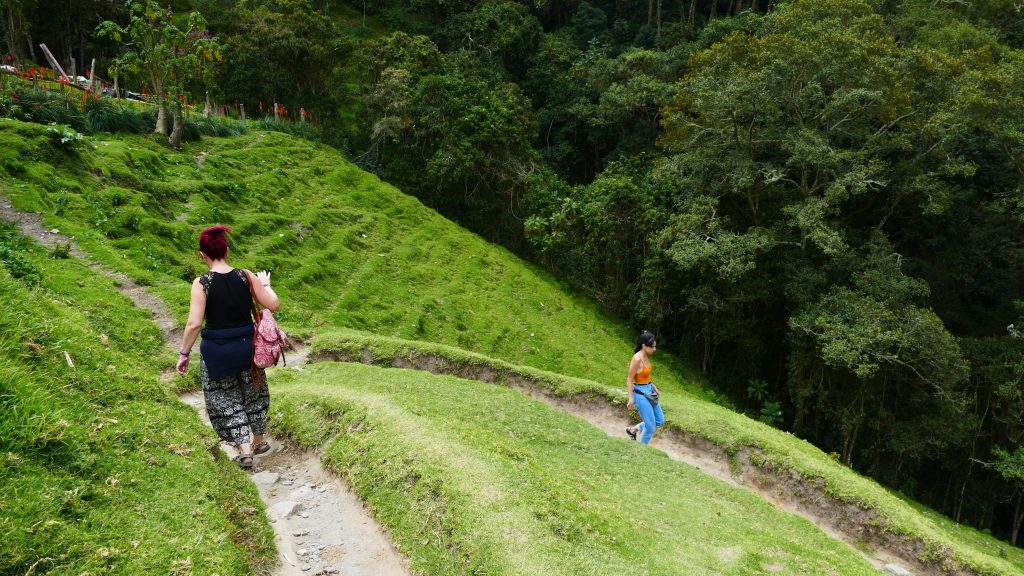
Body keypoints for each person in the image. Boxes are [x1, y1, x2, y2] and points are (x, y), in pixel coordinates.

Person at [176, 225, 280, 469]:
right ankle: (259, 440)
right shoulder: (246, 276)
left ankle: (244, 451)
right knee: (253, 391)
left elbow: (193, 324)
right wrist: (264, 284)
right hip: (248, 349)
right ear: (227, 250)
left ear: (202, 255)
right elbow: (273, 304)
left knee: (225, 399)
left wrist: (184, 353)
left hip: (217, 353)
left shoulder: (201, 283)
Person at [625, 331, 664, 444]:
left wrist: (653, 385)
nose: (654, 349)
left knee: (660, 420)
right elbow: (629, 379)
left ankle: (633, 430)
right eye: (652, 347)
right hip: (641, 394)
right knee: (650, 427)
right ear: (643, 346)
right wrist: (631, 399)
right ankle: (643, 450)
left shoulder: (646, 355)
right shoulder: (637, 359)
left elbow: (644, 374)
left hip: (650, 391)